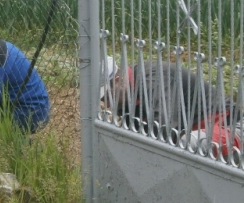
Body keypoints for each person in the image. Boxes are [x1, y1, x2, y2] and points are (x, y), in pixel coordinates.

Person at [101, 55, 241, 158]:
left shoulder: (153, 79)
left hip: (230, 126)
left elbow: (161, 130)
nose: (106, 104)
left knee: (189, 143)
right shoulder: (124, 97)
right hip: (195, 130)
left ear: (118, 81)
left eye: (106, 97)